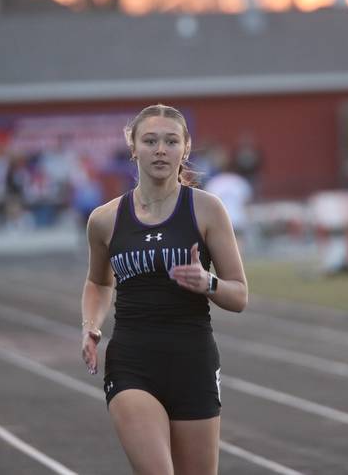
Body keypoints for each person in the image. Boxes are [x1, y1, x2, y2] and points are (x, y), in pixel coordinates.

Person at [80, 104, 248, 475]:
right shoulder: (105, 219)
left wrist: (208, 283)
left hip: (193, 363)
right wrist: (90, 324)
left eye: (171, 141)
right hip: (132, 364)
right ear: (133, 147)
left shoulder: (207, 210)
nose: (160, 150)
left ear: (185, 148)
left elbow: (239, 295)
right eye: (150, 140)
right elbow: (98, 281)